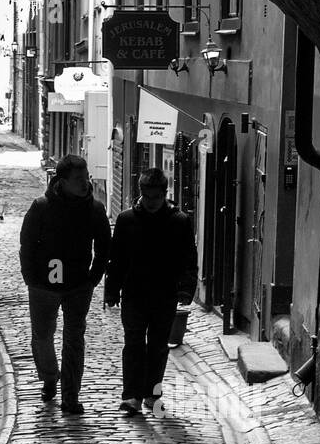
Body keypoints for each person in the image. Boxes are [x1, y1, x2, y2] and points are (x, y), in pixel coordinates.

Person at [19, 154, 111, 413]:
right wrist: (30, 277)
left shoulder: (94, 209)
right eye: (78, 179)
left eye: (86, 177)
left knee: (74, 340)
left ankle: (70, 396)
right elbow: (27, 244)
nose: (85, 183)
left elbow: (105, 246)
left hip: (78, 286)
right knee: (43, 337)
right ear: (62, 181)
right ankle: (50, 377)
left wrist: (94, 278)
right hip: (43, 286)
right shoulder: (41, 207)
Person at [104, 167, 198, 414]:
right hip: (134, 294)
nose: (153, 202)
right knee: (133, 344)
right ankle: (131, 396)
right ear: (141, 193)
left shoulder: (179, 222)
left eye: (157, 197)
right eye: (148, 197)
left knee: (158, 346)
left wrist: (186, 290)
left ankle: (151, 393)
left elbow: (189, 259)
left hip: (164, 295)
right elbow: (117, 260)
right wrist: (111, 291)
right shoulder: (126, 220)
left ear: (164, 193)